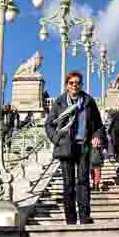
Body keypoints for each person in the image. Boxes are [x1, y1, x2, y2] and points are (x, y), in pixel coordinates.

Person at [45, 71, 104, 225]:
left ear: (81, 85)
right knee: (68, 183)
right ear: (67, 85)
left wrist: (97, 136)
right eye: (71, 83)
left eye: (77, 82)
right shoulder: (59, 102)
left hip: (83, 146)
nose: (74, 85)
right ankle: (70, 219)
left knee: (83, 181)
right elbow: (49, 125)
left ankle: (84, 217)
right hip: (65, 147)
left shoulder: (88, 101)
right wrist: (56, 139)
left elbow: (98, 125)